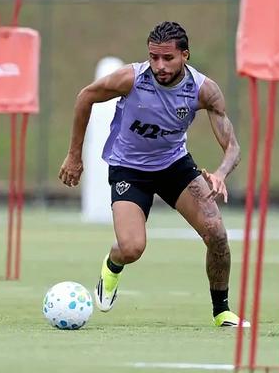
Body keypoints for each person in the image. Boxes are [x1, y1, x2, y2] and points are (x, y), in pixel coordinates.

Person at [58, 21, 248, 327]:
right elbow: (86, 97)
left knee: (217, 234)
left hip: (175, 166)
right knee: (132, 248)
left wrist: (221, 173)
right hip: (129, 169)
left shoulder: (203, 90)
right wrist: (73, 155)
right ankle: (111, 266)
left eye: (168, 58)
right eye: (153, 57)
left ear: (185, 55)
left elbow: (233, 147)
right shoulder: (130, 79)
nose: (159, 65)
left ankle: (221, 311)